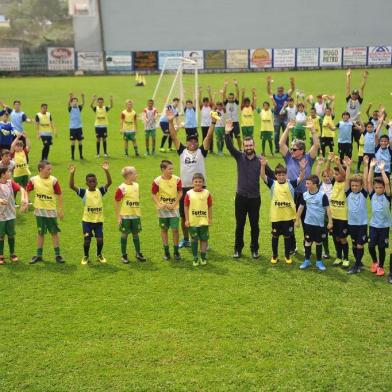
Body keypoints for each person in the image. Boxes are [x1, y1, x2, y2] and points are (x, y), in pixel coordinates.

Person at [167, 109, 215, 249]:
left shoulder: (201, 151)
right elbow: (174, 136)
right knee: (184, 216)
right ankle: (186, 239)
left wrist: (213, 122)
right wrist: (170, 121)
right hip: (185, 189)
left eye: (195, 141)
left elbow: (208, 137)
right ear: (187, 142)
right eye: (190, 141)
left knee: (201, 215)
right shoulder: (182, 151)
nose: (193, 143)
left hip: (200, 188)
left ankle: (203, 240)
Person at [279, 119, 320, 253]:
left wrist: (312, 130)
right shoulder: (289, 157)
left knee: (306, 221)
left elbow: (316, 145)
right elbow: (281, 144)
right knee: (290, 220)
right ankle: (292, 246)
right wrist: (287, 129)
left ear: (302, 150)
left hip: (306, 195)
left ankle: (306, 244)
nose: (292, 150)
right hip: (290, 193)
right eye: (291, 148)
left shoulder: (308, 158)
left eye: (295, 149)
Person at [225, 119, 263, 259]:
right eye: (246, 145)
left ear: (254, 145)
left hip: (255, 198)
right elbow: (229, 147)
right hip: (240, 198)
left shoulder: (260, 161)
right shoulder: (239, 157)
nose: (248, 147)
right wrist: (228, 133)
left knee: (255, 226)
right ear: (243, 146)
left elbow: (271, 176)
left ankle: (254, 249)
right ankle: (237, 249)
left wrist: (286, 181)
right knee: (239, 225)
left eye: (250, 145)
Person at [260, 156, 306, 264]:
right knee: (275, 237)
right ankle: (274, 256)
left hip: (288, 217)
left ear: (286, 175)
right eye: (279, 175)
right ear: (276, 176)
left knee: (287, 237)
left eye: (283, 175)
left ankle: (287, 256)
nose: (281, 177)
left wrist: (302, 168)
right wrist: (262, 165)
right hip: (276, 217)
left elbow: (301, 178)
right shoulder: (272, 184)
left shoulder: (291, 183)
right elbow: (263, 176)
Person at [69, 162, 112, 265]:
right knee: (87, 241)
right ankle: (86, 256)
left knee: (100, 240)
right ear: (86, 183)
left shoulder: (100, 191)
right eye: (90, 181)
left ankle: (99, 255)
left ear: (96, 182)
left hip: (98, 222)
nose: (92, 183)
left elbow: (109, 182)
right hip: (87, 222)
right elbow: (71, 186)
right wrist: (72, 173)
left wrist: (106, 170)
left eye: (94, 181)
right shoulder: (84, 192)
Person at [26, 160, 65, 264]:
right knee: (40, 232)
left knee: (54, 232)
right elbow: (27, 190)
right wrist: (25, 202)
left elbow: (59, 194)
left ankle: (58, 255)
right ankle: (39, 255)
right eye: (48, 169)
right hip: (39, 211)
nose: (50, 171)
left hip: (51, 211)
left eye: (51, 169)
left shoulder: (53, 180)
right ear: (41, 169)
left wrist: (60, 210)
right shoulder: (33, 180)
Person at [295, 175, 333, 271]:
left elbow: (327, 209)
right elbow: (301, 207)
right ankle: (307, 260)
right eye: (306, 183)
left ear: (315, 185)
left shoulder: (322, 196)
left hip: (319, 225)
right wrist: (297, 219)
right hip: (308, 223)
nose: (306, 185)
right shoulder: (305, 195)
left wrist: (330, 221)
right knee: (308, 242)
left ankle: (319, 261)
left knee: (318, 242)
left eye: (308, 183)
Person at [151, 160, 182, 260]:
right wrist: (159, 204)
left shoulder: (177, 179)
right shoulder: (157, 181)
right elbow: (153, 194)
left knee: (175, 230)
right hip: (163, 211)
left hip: (174, 209)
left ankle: (176, 252)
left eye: (172, 168)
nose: (172, 170)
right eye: (170, 169)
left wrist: (174, 204)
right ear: (163, 169)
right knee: (164, 230)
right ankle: (166, 252)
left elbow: (180, 192)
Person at [114, 166, 146, 264]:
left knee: (136, 233)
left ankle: (138, 253)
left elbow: (137, 197)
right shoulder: (122, 188)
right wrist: (118, 217)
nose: (137, 175)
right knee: (124, 234)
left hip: (135, 215)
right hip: (125, 216)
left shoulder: (136, 185)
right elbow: (116, 201)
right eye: (135, 173)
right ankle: (124, 255)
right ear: (128, 175)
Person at [344, 156, 369, 275]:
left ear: (360, 186)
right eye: (353, 185)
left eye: (357, 185)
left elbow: (365, 179)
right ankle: (359, 263)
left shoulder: (364, 194)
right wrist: (348, 166)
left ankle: (357, 265)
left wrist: (365, 165)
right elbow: (346, 180)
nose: (354, 187)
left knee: (359, 244)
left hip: (362, 224)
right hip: (351, 223)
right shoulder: (348, 193)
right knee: (354, 244)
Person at [367, 159, 391, 277]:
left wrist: (382, 170)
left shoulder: (387, 196)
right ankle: (375, 262)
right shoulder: (372, 195)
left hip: (384, 226)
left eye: (380, 187)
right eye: (376, 187)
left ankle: (381, 266)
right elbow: (368, 181)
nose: (378, 189)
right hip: (373, 225)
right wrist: (371, 167)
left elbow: (387, 183)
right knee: (371, 246)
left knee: (381, 247)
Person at [0, 167, 28, 264]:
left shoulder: (10, 183)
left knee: (11, 235)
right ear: (3, 174)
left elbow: (21, 189)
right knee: (1, 236)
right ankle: (1, 255)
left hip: (11, 214)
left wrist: (24, 199)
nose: (10, 172)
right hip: (1, 216)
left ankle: (12, 254)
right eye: (8, 171)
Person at [184, 173, 212, 266]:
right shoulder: (189, 193)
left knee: (204, 240)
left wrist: (210, 218)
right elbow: (186, 207)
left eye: (200, 182)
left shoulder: (207, 193)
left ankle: (203, 257)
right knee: (194, 240)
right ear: (192, 182)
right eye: (196, 181)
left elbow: (209, 206)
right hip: (193, 222)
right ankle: (195, 257)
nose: (198, 183)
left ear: (203, 182)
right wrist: (187, 220)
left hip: (203, 221)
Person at [328, 154, 350, 268]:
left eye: (337, 174)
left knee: (343, 238)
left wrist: (338, 164)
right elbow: (327, 172)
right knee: (336, 237)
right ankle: (338, 257)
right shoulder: (334, 182)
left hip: (343, 218)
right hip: (333, 217)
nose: (335, 176)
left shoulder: (346, 184)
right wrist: (329, 162)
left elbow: (345, 175)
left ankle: (346, 258)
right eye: (335, 174)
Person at [267, 75, 295, 152]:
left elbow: (292, 89)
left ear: (283, 90)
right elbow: (269, 91)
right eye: (279, 90)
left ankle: (285, 147)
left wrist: (292, 82)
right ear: (277, 90)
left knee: (286, 133)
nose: (280, 91)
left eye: (281, 90)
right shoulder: (274, 96)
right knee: (276, 133)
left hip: (285, 116)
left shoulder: (286, 95)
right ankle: (277, 148)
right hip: (276, 116)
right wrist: (268, 83)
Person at [222, 79, 241, 149]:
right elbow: (223, 94)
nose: (230, 99)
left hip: (235, 122)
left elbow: (238, 93)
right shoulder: (226, 103)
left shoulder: (236, 102)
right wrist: (225, 85)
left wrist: (236, 85)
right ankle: (233, 149)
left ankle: (240, 149)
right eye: (229, 98)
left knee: (238, 136)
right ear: (228, 98)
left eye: (232, 98)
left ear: (234, 98)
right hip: (228, 123)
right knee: (230, 137)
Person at [68, 93, 85, 160]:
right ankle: (72, 156)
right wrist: (70, 97)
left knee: (80, 142)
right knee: (73, 143)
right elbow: (68, 103)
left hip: (79, 128)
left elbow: (83, 103)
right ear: (71, 103)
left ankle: (81, 156)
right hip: (72, 129)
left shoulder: (79, 108)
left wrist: (83, 97)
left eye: (76, 101)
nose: (75, 102)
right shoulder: (70, 109)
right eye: (73, 101)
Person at [199, 86, 214, 153]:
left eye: (206, 102)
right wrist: (200, 92)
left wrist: (209, 92)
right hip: (203, 125)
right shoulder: (201, 107)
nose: (205, 103)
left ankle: (211, 149)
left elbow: (211, 100)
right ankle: (204, 148)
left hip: (210, 125)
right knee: (204, 137)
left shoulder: (210, 106)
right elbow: (199, 100)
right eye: (204, 102)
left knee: (210, 137)